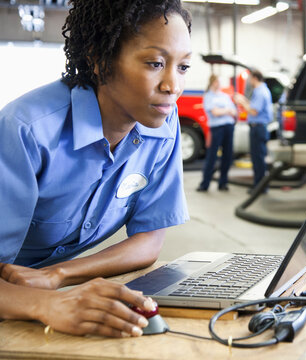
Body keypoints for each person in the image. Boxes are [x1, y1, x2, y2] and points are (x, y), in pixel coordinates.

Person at [0, 0, 192, 338]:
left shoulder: (163, 125)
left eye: (183, 67)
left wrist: (57, 276)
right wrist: (45, 304)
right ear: (98, 58)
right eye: (155, 63)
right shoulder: (26, 131)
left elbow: (148, 242)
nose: (172, 86)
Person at [233, 70, 273, 191]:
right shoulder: (260, 90)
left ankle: (260, 187)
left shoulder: (260, 91)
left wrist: (241, 102)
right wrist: (244, 99)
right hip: (257, 128)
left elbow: (254, 111)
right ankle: (259, 186)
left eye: (250, 79)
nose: (249, 81)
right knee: (257, 158)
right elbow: (254, 105)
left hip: (258, 128)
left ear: (255, 78)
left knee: (258, 159)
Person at [197, 75, 237, 192]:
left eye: (219, 81)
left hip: (228, 127)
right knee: (212, 156)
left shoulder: (225, 96)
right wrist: (227, 110)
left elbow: (234, 111)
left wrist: (225, 111)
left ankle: (223, 183)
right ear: (212, 83)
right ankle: (205, 184)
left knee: (227, 156)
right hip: (216, 129)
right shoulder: (208, 97)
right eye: (216, 82)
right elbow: (215, 112)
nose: (218, 84)